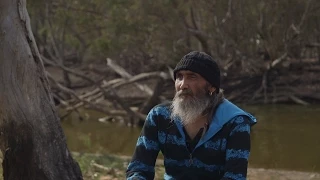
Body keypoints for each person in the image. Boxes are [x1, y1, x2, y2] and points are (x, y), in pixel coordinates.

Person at [126, 51, 257, 180]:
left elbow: (235, 177)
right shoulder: (159, 116)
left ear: (212, 86)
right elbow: (139, 168)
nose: (183, 85)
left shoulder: (236, 122)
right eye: (179, 77)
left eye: (192, 77)